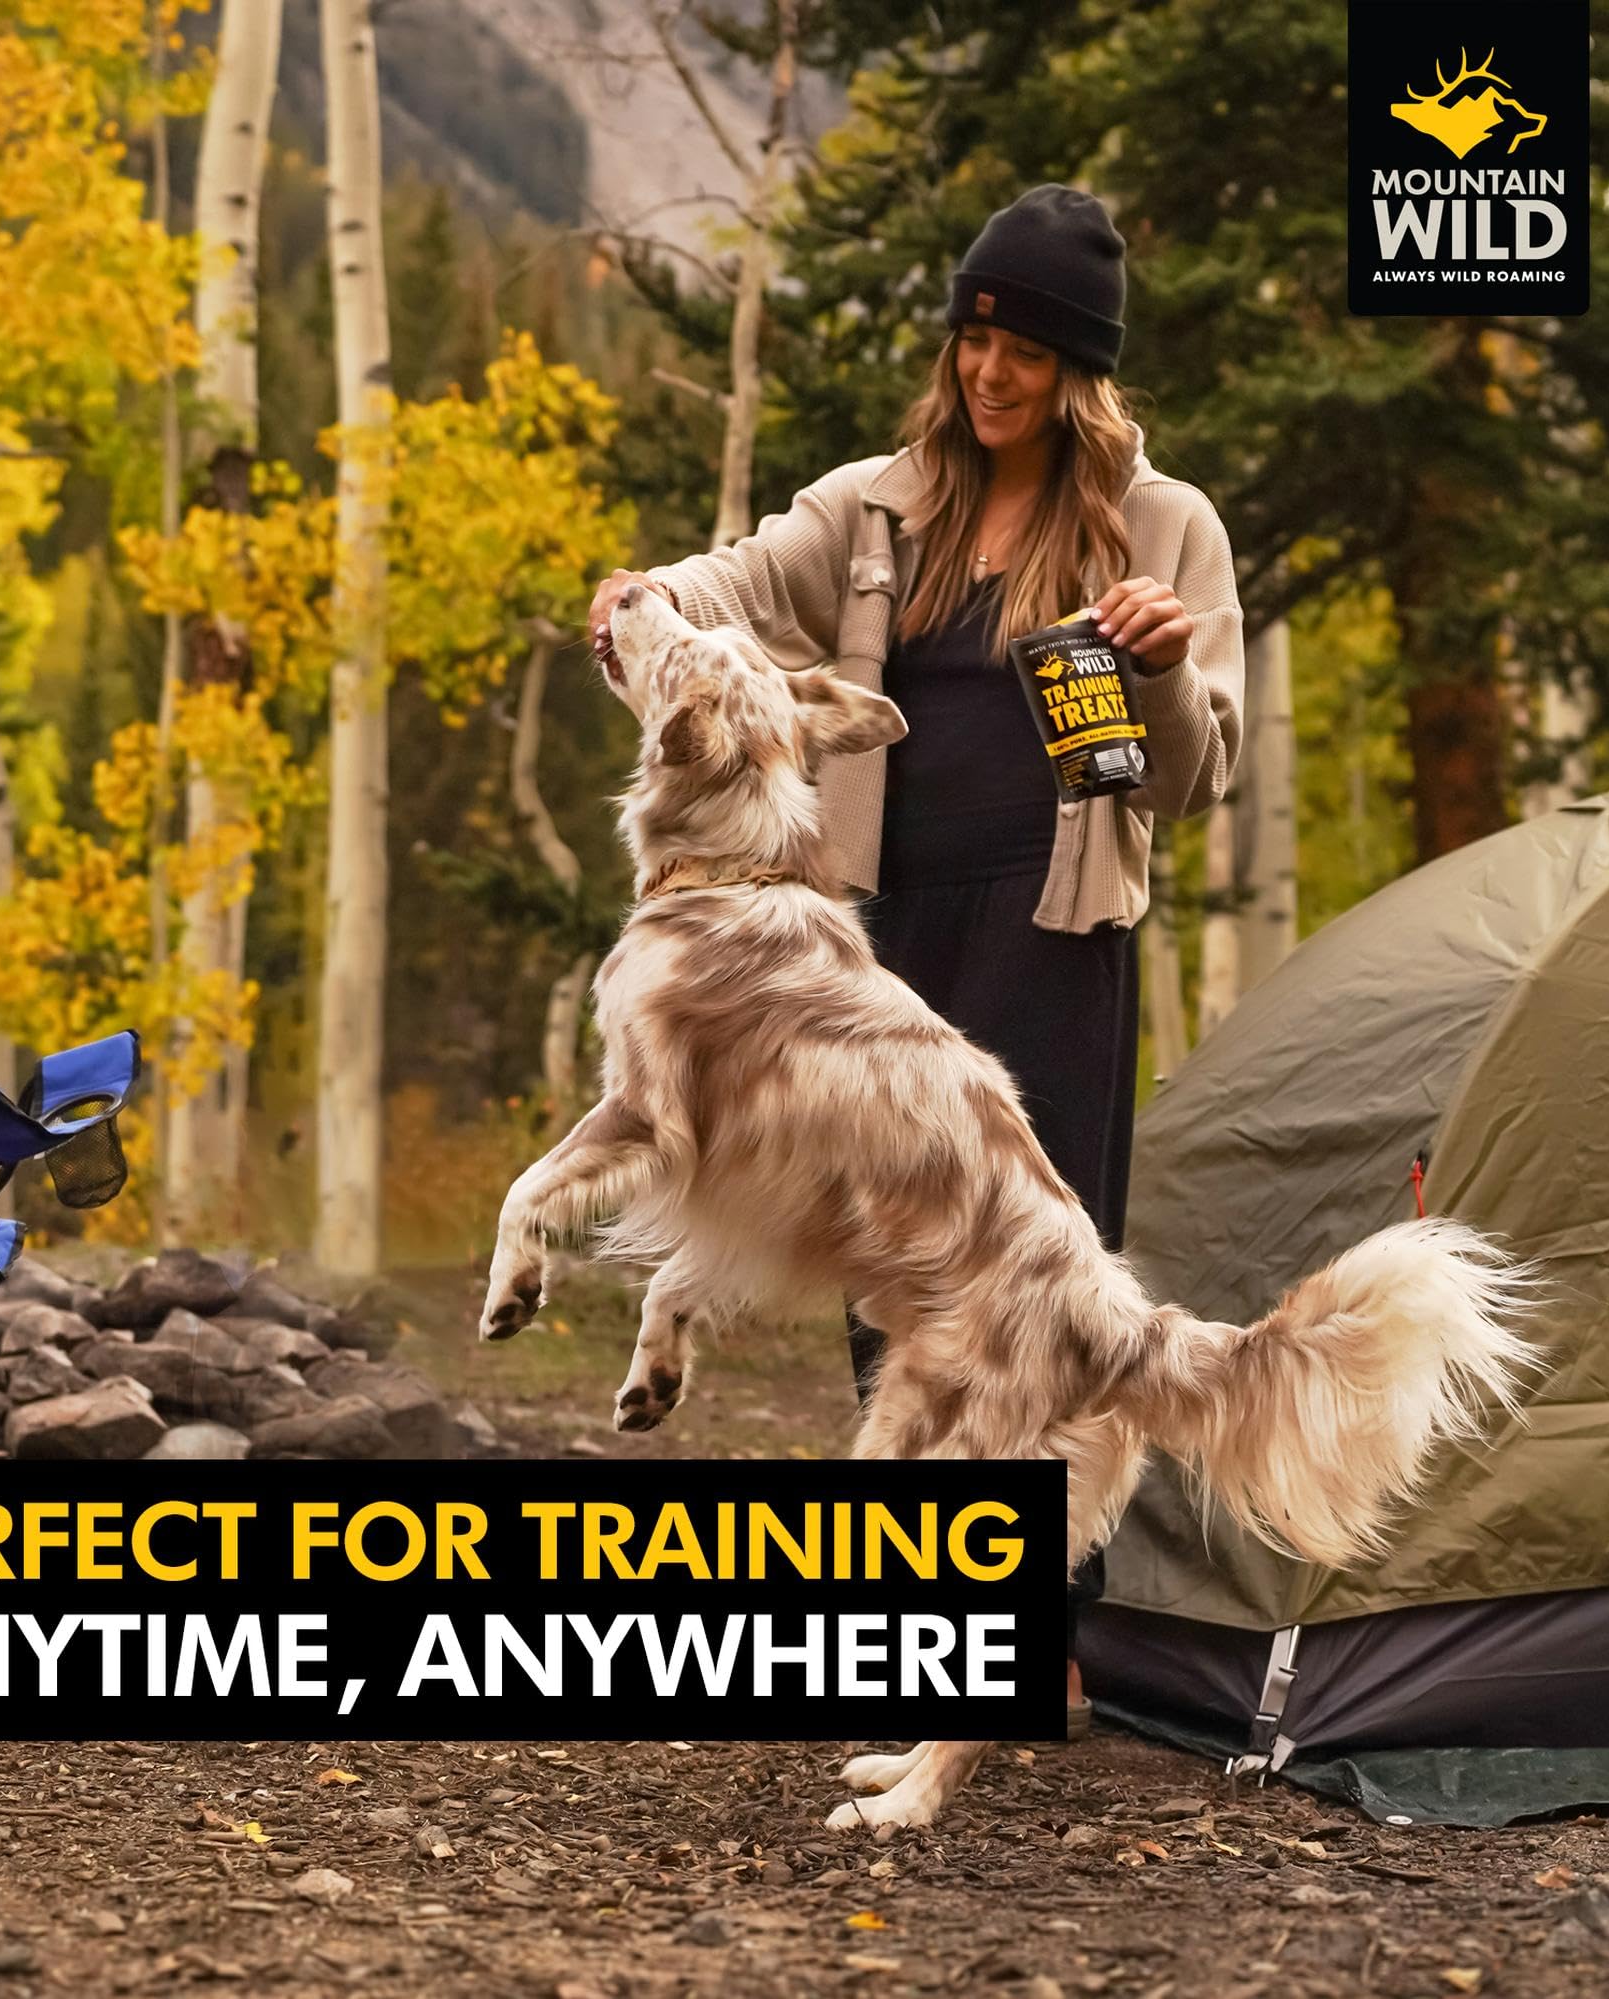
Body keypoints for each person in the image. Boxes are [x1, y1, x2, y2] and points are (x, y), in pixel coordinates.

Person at [587, 185, 1246, 1729]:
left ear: (1083, 375)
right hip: (877, 944)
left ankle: (1039, 1623)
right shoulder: (876, 506)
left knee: (1037, 1278)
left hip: (1054, 931)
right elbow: (731, 582)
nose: (988, 372)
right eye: (974, 336)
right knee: (889, 1266)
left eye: (1023, 350)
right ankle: (912, 1620)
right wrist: (647, 602)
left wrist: (1154, 669)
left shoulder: (1167, 528)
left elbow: (1201, 775)